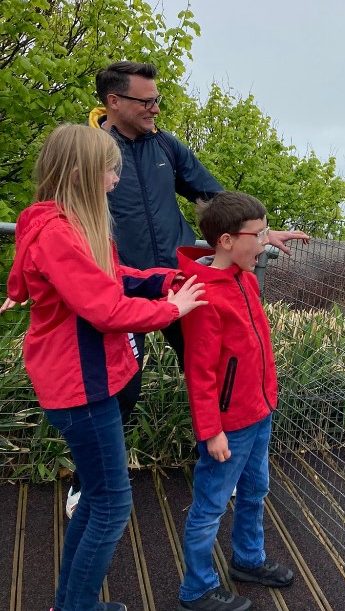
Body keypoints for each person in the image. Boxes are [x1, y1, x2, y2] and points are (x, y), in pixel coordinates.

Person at [52, 60, 308, 518]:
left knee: (208, 369)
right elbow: (58, 214)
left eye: (157, 99)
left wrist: (262, 234)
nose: (156, 108)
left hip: (180, 283)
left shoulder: (166, 146)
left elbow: (213, 199)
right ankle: (87, 484)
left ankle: (217, 463)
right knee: (122, 386)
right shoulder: (95, 154)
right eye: (146, 101)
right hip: (123, 288)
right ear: (114, 101)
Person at [2, 124, 207, 611]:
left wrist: (164, 279)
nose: (116, 179)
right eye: (109, 170)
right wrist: (172, 310)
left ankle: (73, 604)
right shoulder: (59, 235)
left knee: (98, 500)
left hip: (88, 380)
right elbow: (106, 310)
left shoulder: (70, 224)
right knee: (112, 506)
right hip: (81, 385)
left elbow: (114, 279)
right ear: (81, 174)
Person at [175, 192, 294, 611]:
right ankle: (197, 588)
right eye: (258, 235)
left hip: (259, 411)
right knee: (209, 505)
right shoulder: (204, 296)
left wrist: (266, 399)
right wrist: (211, 432)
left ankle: (248, 559)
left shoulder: (247, 279)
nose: (263, 243)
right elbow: (201, 373)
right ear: (226, 240)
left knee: (255, 489)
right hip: (228, 425)